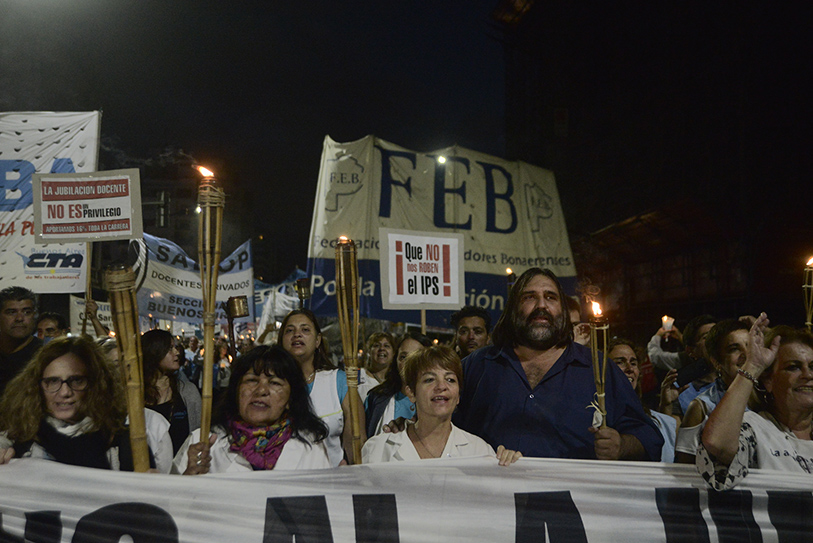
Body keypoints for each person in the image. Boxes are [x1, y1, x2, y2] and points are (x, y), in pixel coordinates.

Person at [452, 268, 663, 460]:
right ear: (513, 308)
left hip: (574, 489)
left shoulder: (598, 368)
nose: (541, 305)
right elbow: (443, 426)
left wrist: (621, 446)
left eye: (550, 297)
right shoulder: (478, 365)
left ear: (562, 309)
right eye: (529, 297)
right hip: (491, 488)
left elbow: (648, 437)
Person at [174, 345, 330, 474]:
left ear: (290, 399)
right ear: (236, 392)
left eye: (274, 383)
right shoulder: (200, 442)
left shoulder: (311, 448)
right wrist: (189, 477)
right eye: (251, 380)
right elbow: (170, 499)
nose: (261, 390)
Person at [697, 317, 813, 490]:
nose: (808, 375)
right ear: (768, 381)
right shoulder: (755, 428)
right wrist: (753, 365)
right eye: (793, 367)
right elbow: (717, 445)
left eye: (812, 367)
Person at [0, 336, 144, 470]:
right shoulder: (19, 439)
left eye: (76, 381)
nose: (65, 392)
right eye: (53, 381)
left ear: (96, 384)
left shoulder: (126, 443)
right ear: (37, 386)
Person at [363, 345, 521, 465]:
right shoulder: (377, 449)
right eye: (429, 379)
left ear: (458, 395)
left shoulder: (480, 451)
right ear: (411, 392)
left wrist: (512, 466)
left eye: (450, 379)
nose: (441, 386)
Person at [278, 309, 365, 465]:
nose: (297, 334)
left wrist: (354, 470)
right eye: (290, 330)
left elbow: (355, 442)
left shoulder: (338, 381)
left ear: (318, 340)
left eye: (305, 330)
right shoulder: (271, 384)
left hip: (331, 476)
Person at [674, 319, 749, 463]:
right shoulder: (701, 408)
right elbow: (684, 465)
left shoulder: (768, 398)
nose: (745, 355)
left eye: (749, 346)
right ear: (716, 361)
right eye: (734, 349)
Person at [608, 338, 678, 462]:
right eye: (620, 362)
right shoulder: (598, 413)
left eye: (633, 363)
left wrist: (666, 405)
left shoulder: (650, 417)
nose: (629, 368)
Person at [141, 330, 202, 455]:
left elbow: (198, 433)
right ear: (154, 352)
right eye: (170, 349)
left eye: (175, 347)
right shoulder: (135, 394)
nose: (177, 352)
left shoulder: (188, 392)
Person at [365, 332, 432, 437]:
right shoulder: (377, 398)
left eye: (416, 357)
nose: (409, 363)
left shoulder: (439, 400)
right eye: (403, 357)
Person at [0, 287, 43, 397]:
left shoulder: (45, 355)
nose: (19, 318)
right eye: (11, 312)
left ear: (34, 316)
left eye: (27, 312)